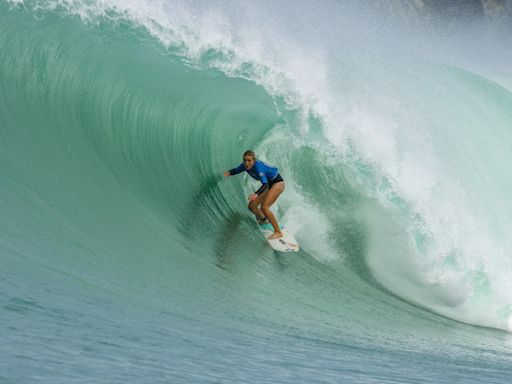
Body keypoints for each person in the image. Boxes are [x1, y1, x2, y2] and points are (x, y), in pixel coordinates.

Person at [224, 150, 285, 240]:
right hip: (268, 184)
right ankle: (264, 220)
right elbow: (235, 171)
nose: (246, 163)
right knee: (252, 206)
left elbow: (265, 185)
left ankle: (278, 232)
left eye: (249, 160)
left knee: (264, 207)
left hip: (277, 183)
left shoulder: (258, 168)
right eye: (245, 160)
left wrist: (256, 194)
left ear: (254, 160)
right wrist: (227, 173)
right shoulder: (244, 166)